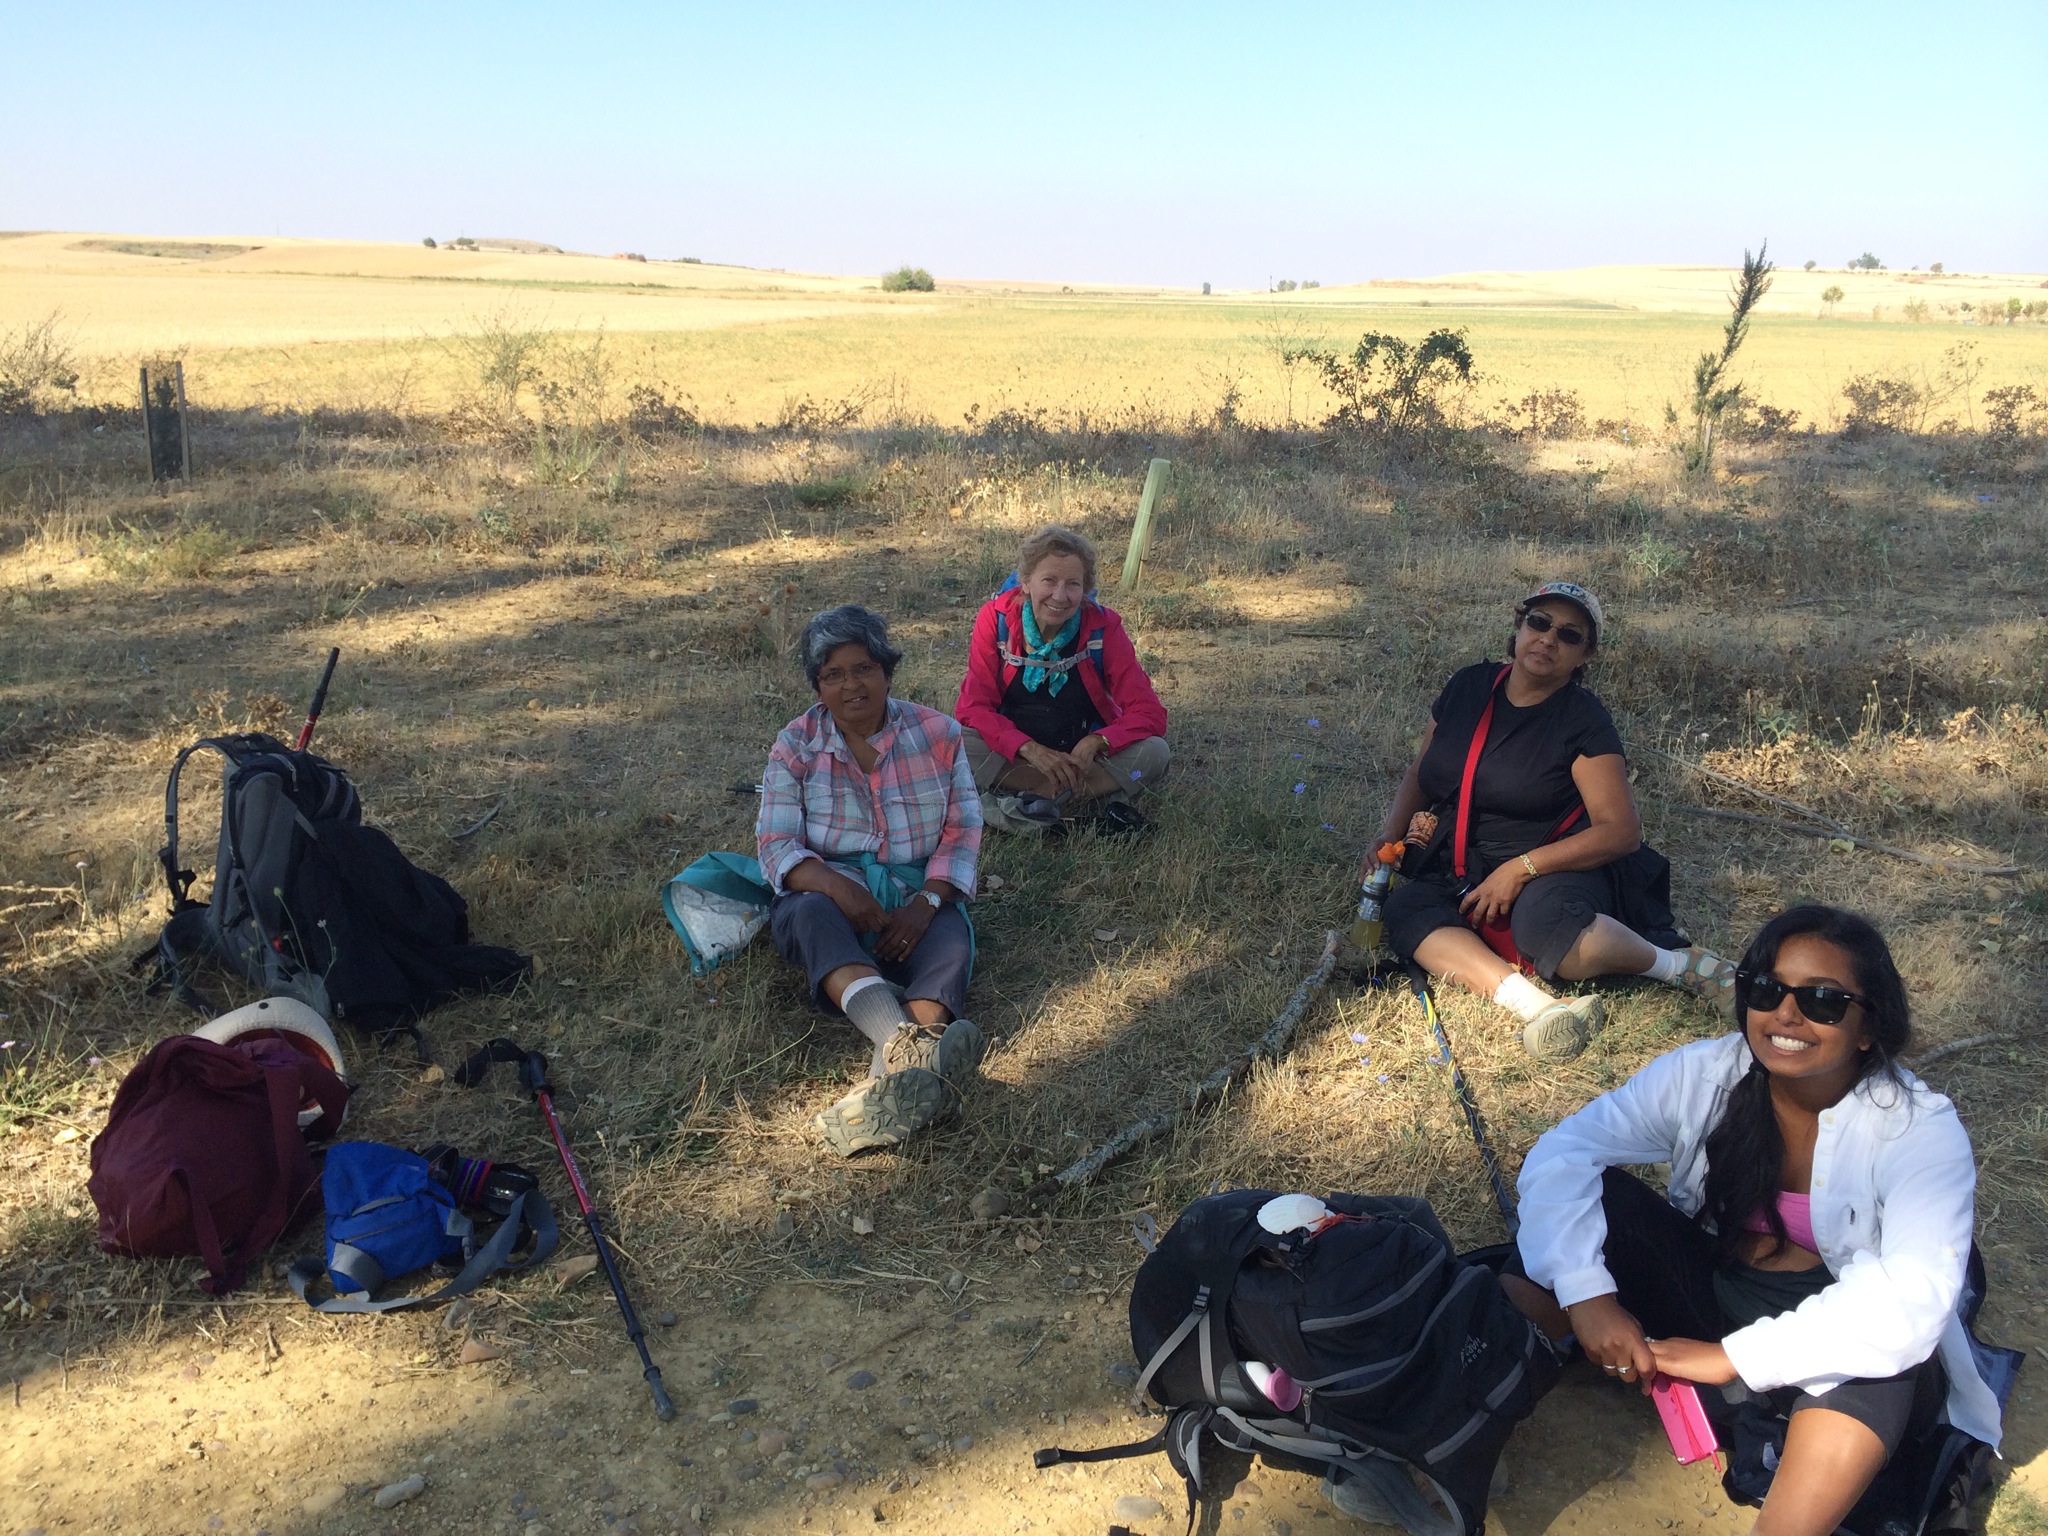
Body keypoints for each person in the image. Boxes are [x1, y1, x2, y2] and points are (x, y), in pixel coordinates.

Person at [1504, 905, 2002, 1536]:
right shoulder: (1706, 1074)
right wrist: (1588, 1296)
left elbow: (1907, 1304)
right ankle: (1469, 1420)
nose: (1786, 1014)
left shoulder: (1917, 1129)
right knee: (1569, 1228)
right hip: (1717, 1294)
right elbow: (1566, 1151)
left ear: (1869, 1028)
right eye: (1766, 989)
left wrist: (1731, 1359)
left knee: (1877, 1363)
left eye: (1823, 1000)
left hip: (1833, 1339)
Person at [1370, 581, 1733, 1061]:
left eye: (1569, 634)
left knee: (1548, 930)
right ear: (1519, 626)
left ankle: (1678, 966)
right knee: (1405, 910)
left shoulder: (1583, 720)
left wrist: (1521, 868)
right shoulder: (1468, 686)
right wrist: (1389, 836)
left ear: (1585, 655)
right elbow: (1422, 770)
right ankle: (1540, 1008)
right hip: (1462, 865)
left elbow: (1621, 831)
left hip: (1554, 863)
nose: (1548, 639)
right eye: (1539, 623)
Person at [756, 605, 986, 1156]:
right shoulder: (795, 745)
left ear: (887, 671)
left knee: (951, 947)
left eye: (864, 669)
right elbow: (776, 844)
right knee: (810, 914)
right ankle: (907, 1049)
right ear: (818, 687)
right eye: (833, 675)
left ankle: (886, 1085)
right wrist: (841, 888)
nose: (851, 686)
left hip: (915, 892)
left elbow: (962, 829)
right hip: (826, 893)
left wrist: (926, 903)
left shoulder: (939, 733)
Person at [954, 525, 1170, 835]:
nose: (1060, 596)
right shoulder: (996, 619)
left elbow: (1149, 713)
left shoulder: (1103, 628)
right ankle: (1067, 795)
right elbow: (973, 708)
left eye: (1073, 584)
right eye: (1049, 581)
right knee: (953, 742)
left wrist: (1099, 742)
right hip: (1017, 756)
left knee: (1154, 756)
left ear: (1085, 590)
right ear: (1026, 582)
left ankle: (1038, 799)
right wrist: (1028, 748)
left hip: (1081, 759)